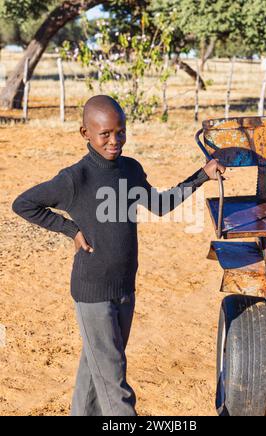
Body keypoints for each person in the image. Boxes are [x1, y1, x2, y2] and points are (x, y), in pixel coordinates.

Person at [11, 95, 226, 416]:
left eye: (120, 132)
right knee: (115, 387)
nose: (115, 141)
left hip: (125, 288)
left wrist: (201, 175)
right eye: (105, 134)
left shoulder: (130, 169)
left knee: (96, 367)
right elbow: (23, 203)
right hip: (93, 292)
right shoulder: (75, 179)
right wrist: (70, 230)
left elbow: (161, 204)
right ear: (85, 133)